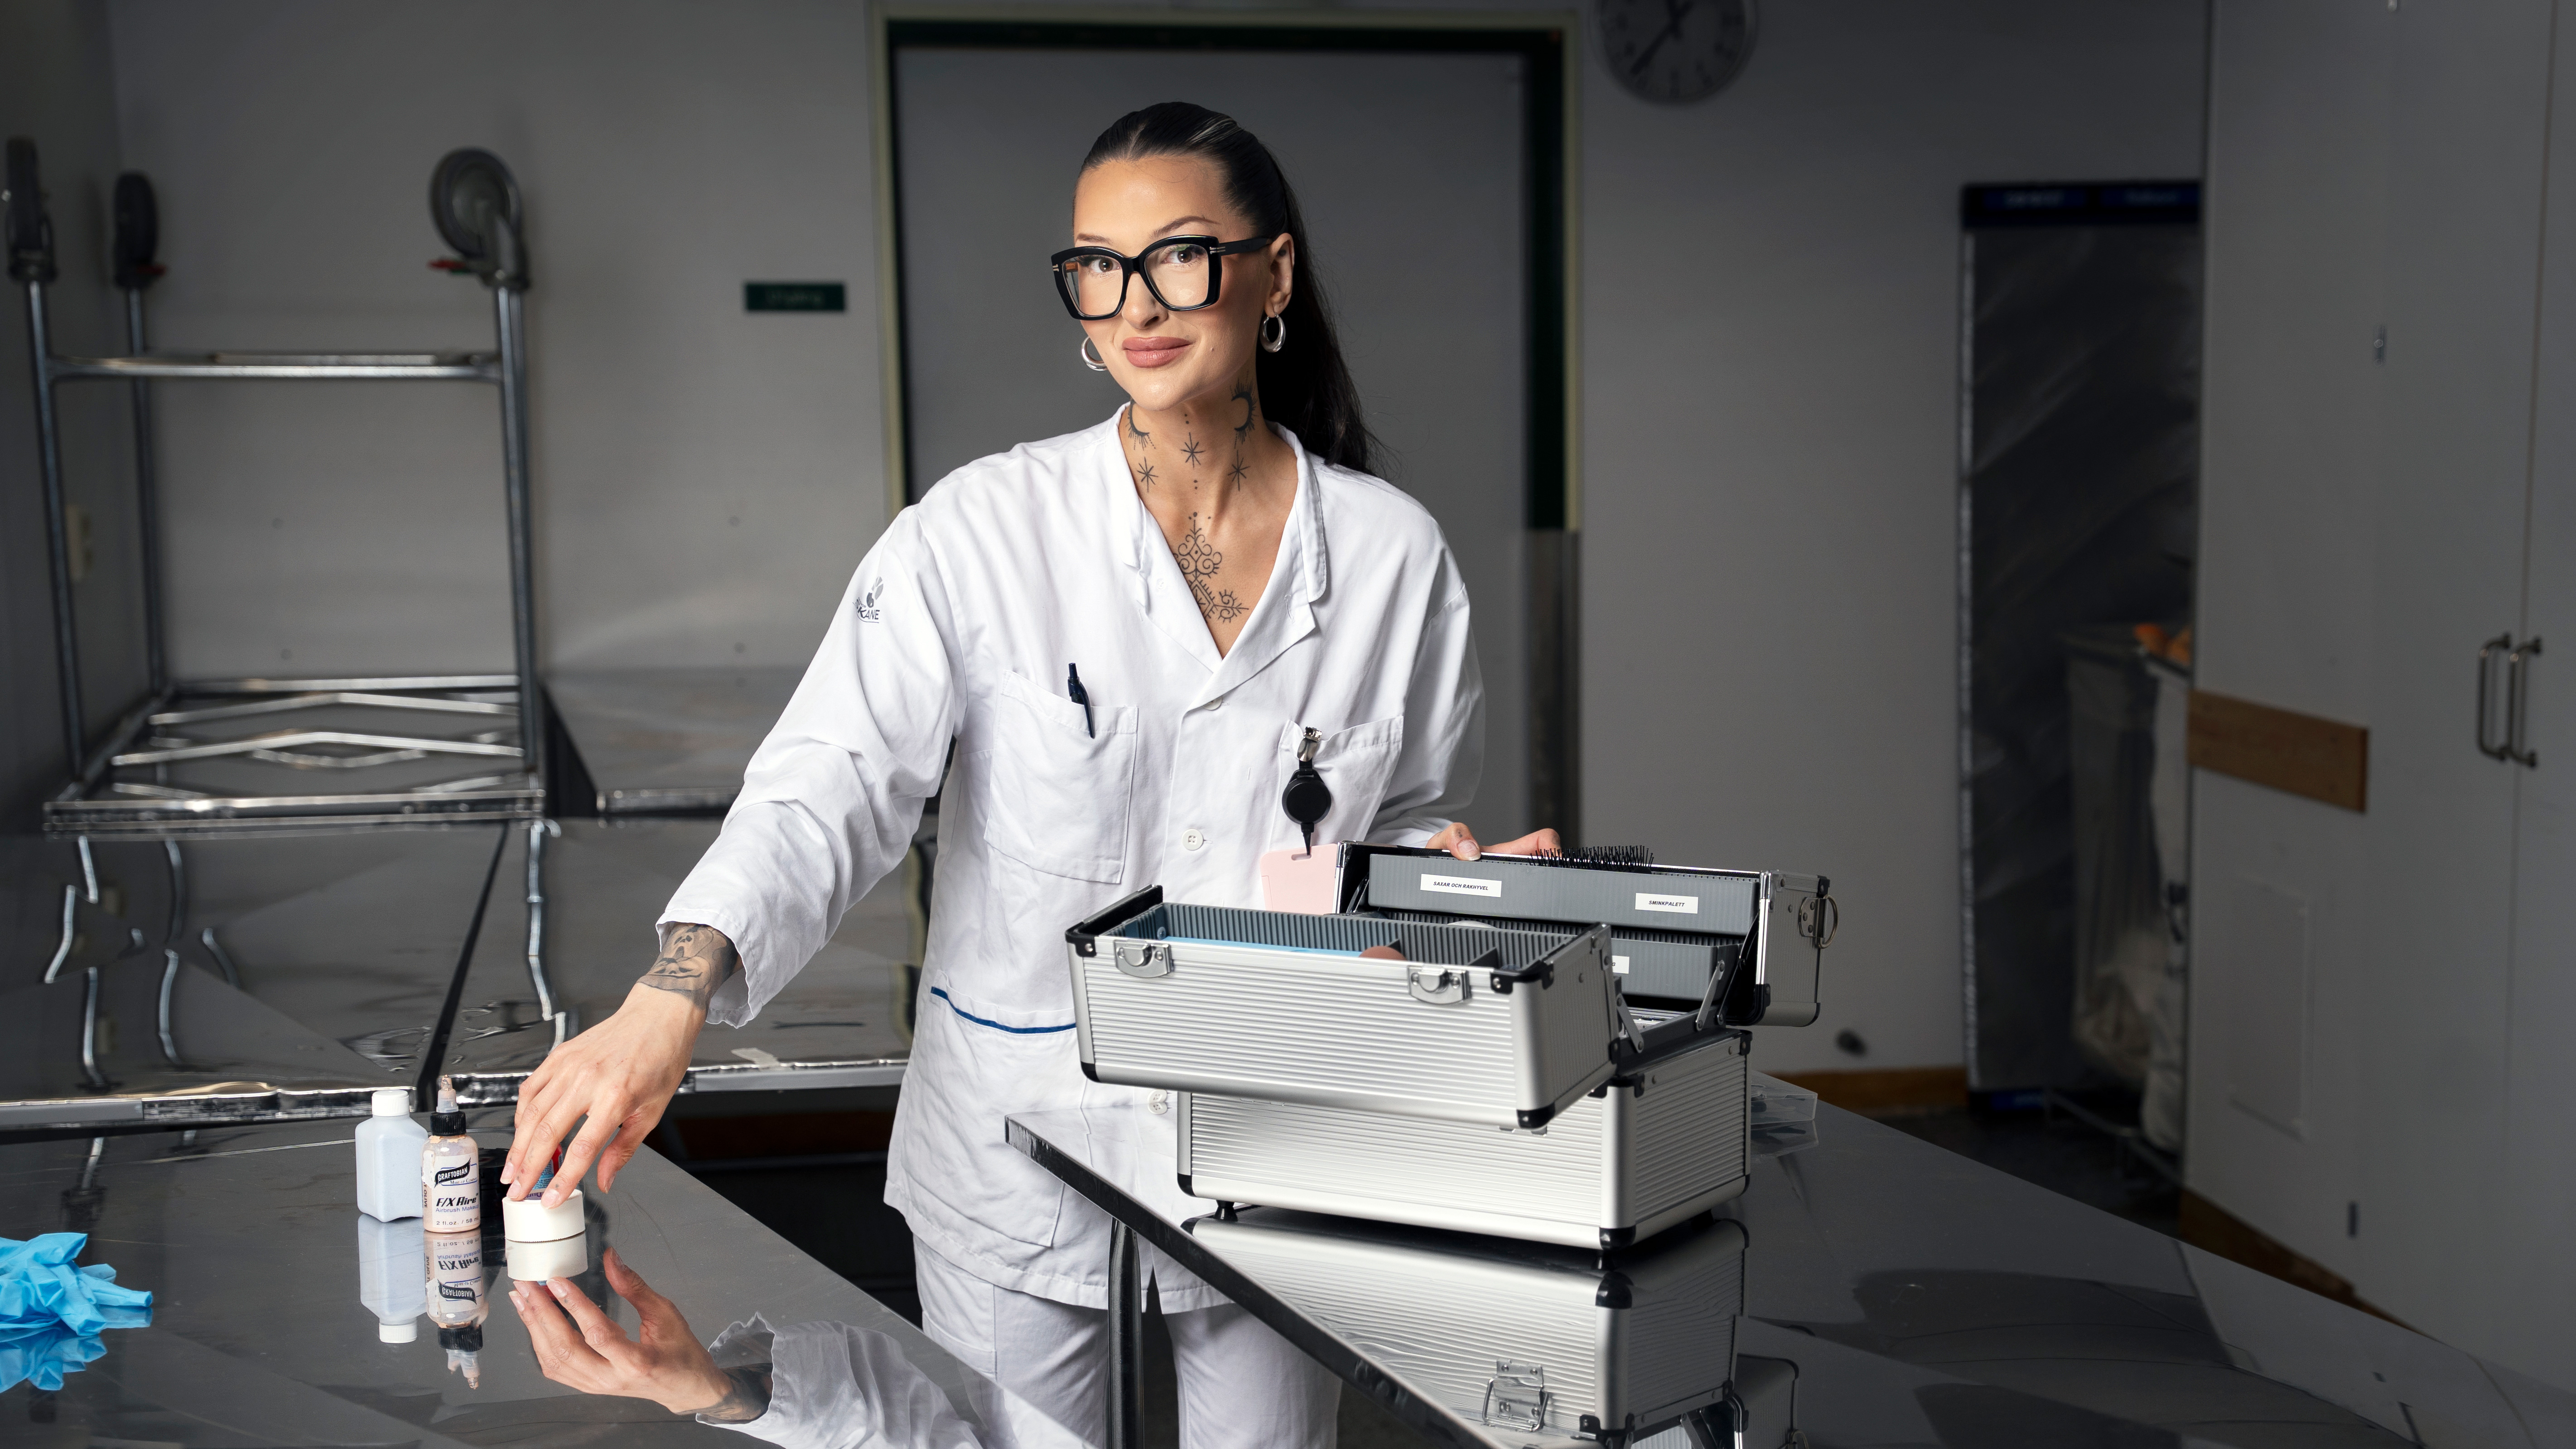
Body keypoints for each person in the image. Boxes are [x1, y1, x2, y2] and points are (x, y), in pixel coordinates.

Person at [506, 100, 1558, 1447]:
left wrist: (1442, 888)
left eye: (1180, 256)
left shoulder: (1391, 558)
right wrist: (673, 994)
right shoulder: (982, 533)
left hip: (1279, 1149)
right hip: (1020, 1153)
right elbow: (831, 783)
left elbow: (1394, 827)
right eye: (1098, 267)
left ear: (1275, 274)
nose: (1137, 304)